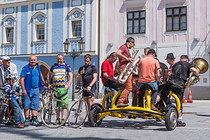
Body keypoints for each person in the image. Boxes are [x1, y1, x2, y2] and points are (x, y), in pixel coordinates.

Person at [159, 55, 200, 127]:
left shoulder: (176, 64)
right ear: (187, 60)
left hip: (171, 82)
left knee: (163, 93)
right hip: (180, 84)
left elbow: (170, 74)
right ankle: (179, 120)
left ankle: (168, 105)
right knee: (179, 101)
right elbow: (194, 70)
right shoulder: (188, 64)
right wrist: (198, 76)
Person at [47, 54, 73, 125]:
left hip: (63, 89)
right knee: (57, 105)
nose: (59, 60)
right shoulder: (53, 66)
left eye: (61, 59)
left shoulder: (66, 66)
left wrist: (68, 86)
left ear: (63, 59)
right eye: (58, 59)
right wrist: (49, 84)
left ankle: (63, 119)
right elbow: (48, 74)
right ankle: (57, 119)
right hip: (55, 88)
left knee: (63, 105)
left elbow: (71, 76)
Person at [20, 55, 43, 126]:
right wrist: (23, 89)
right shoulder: (25, 68)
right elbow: (22, 79)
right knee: (27, 104)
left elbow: (40, 75)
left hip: (36, 89)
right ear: (29, 61)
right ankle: (27, 119)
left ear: (36, 60)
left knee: (35, 104)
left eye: (34, 60)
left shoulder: (38, 67)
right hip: (27, 89)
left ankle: (34, 119)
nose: (33, 61)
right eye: (31, 60)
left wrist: (43, 84)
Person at [116, 37, 135, 107]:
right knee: (129, 87)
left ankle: (124, 102)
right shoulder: (123, 47)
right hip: (124, 69)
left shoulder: (125, 48)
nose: (133, 46)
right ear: (130, 43)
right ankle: (120, 101)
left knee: (125, 87)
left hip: (124, 68)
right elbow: (117, 53)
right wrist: (127, 59)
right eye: (133, 44)